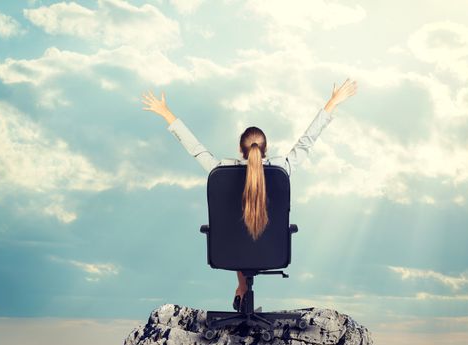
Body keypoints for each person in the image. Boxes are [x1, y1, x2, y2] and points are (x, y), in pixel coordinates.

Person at [141, 78, 357, 312]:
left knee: (239, 228)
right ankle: (243, 290)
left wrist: (166, 113)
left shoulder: (220, 171)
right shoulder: (281, 169)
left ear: (239, 150)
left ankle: (241, 288)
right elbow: (307, 141)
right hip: (271, 252)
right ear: (266, 150)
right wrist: (333, 102)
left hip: (229, 251)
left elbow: (195, 148)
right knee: (248, 227)